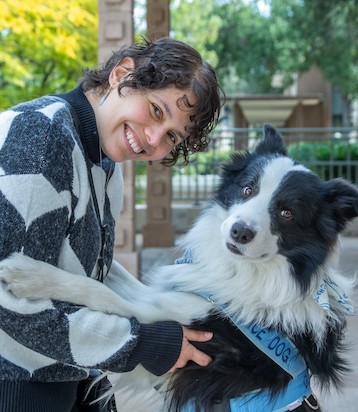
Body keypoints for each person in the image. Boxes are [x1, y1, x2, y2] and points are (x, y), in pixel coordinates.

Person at [0, 37, 222, 411]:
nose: (153, 139)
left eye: (171, 136)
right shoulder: (42, 135)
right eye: (155, 110)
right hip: (17, 386)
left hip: (70, 377)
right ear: (122, 74)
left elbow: (86, 275)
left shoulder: (103, 162)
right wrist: (146, 344)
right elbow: (10, 299)